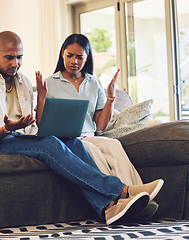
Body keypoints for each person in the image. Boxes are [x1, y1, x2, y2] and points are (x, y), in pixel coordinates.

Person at [0, 30, 163, 225]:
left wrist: (27, 123)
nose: (16, 63)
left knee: (72, 141)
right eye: (9, 58)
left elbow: (33, 125)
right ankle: (122, 190)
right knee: (49, 144)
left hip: (22, 137)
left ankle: (109, 207)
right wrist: (8, 129)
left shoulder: (22, 80)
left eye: (19, 57)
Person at [36, 33, 160, 218]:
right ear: (62, 54)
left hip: (90, 134)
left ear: (87, 58)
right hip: (67, 139)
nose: (74, 61)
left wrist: (110, 97)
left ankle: (140, 197)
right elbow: (40, 123)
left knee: (114, 145)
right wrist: (41, 97)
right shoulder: (50, 83)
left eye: (80, 57)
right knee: (92, 150)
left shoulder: (94, 83)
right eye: (70, 55)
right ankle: (118, 200)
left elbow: (101, 125)